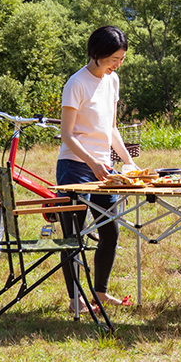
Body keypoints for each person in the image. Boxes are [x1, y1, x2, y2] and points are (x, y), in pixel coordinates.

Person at [57, 25, 134, 313]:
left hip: (105, 167)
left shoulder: (112, 82)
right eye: (114, 58)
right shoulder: (76, 83)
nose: (118, 64)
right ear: (97, 54)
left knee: (110, 232)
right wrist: (92, 162)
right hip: (75, 166)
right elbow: (67, 134)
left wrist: (127, 161)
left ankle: (99, 293)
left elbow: (111, 128)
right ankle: (75, 298)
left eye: (122, 59)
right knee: (73, 237)